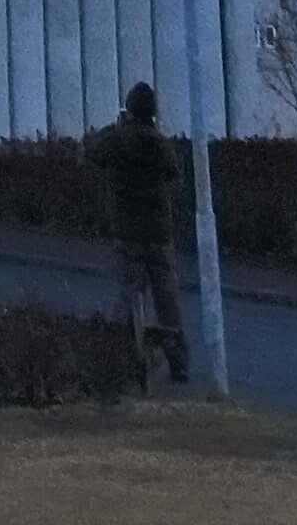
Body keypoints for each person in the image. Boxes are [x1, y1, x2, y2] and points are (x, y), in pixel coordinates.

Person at [91, 80, 186, 381]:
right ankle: (178, 362)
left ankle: (124, 357)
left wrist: (115, 127)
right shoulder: (160, 145)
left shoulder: (117, 141)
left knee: (128, 296)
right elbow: (174, 173)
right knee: (167, 300)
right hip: (159, 234)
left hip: (126, 233)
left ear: (129, 110)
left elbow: (94, 151)